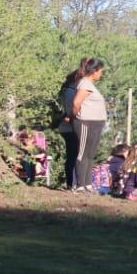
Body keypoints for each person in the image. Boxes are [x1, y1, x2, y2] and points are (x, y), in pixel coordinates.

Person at [69, 57, 108, 192]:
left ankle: (88, 184)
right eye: (100, 71)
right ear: (94, 71)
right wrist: (75, 116)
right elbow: (75, 103)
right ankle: (80, 185)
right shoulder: (84, 84)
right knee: (82, 153)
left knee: (90, 154)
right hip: (85, 123)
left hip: (96, 124)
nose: (101, 74)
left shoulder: (90, 85)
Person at [56, 60, 85, 189]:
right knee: (75, 155)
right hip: (72, 126)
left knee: (72, 155)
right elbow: (73, 109)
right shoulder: (72, 92)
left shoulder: (66, 91)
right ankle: (73, 183)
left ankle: (71, 183)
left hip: (66, 127)